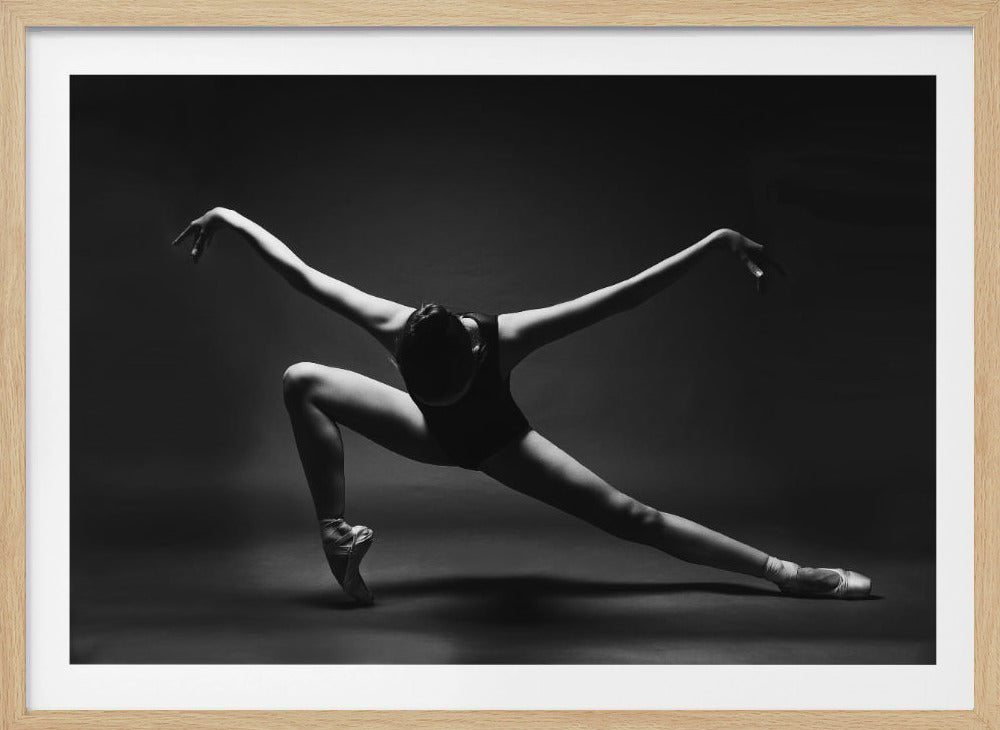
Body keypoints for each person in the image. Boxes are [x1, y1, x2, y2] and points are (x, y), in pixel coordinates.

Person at [172, 206, 872, 606]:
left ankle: (786, 575)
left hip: (499, 443)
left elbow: (627, 294)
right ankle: (336, 537)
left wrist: (718, 242)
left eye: (442, 385)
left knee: (636, 517)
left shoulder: (510, 336)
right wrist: (229, 217)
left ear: (477, 357)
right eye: (421, 381)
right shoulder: (393, 325)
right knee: (301, 378)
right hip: (431, 436)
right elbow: (298, 272)